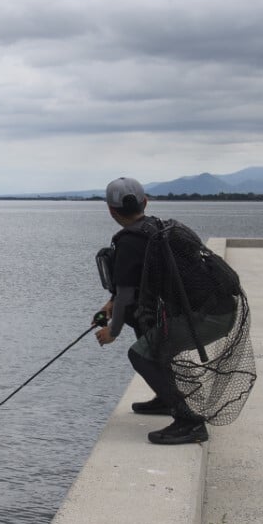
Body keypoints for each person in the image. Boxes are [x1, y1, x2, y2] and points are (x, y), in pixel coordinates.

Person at [94, 177, 211, 445]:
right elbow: (131, 291)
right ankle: (165, 399)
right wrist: (109, 308)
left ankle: (190, 422)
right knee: (147, 332)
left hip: (203, 318)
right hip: (206, 309)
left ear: (111, 210)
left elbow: (125, 294)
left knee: (141, 355)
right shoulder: (155, 229)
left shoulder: (129, 240)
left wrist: (111, 331)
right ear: (145, 202)